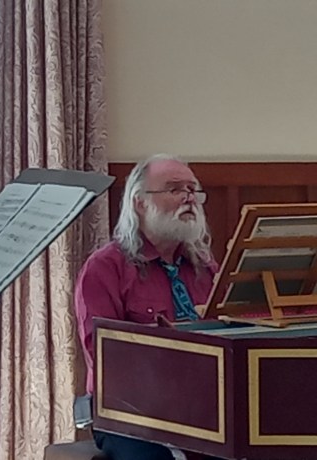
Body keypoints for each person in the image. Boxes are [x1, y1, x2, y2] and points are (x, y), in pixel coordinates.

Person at [74, 153, 219, 460]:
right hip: (130, 413)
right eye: (175, 189)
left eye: (193, 190)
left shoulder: (205, 267)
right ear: (140, 202)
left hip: (203, 408)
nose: (189, 199)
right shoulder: (104, 268)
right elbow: (105, 358)